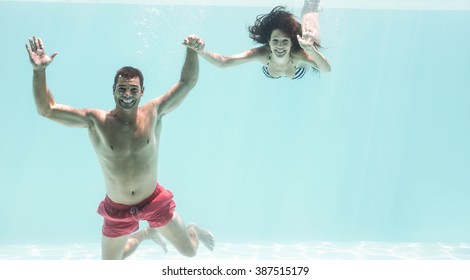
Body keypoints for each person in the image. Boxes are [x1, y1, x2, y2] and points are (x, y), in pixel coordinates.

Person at [25, 35, 215, 260]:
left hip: (153, 200)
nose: (127, 95)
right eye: (122, 89)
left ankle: (193, 229)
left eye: (133, 90)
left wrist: (192, 51)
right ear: (113, 89)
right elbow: (47, 109)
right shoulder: (97, 121)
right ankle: (145, 234)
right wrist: (39, 71)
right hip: (117, 208)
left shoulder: (153, 112)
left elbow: (187, 83)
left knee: (190, 252)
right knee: (111, 265)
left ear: (142, 91)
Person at [192, 0, 331, 79]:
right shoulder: (261, 53)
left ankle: (312, 6)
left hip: (306, 45)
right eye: (275, 41)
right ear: (268, 41)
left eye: (285, 41)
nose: (280, 46)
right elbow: (224, 62)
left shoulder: (300, 53)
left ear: (291, 42)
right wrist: (202, 52)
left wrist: (310, 49)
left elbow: (326, 69)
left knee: (309, 19)